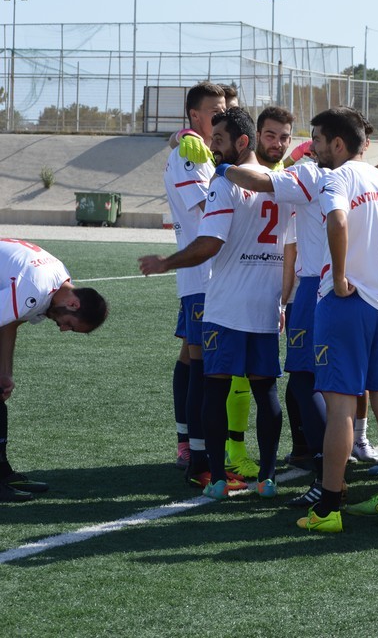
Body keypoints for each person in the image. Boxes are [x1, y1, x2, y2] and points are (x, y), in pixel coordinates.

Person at [140, 107, 292, 499]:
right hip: (266, 305)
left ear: (242, 141)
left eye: (220, 140)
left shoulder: (225, 182)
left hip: (226, 306)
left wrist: (166, 262)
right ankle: (268, 478)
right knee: (266, 393)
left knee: (215, 389)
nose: (213, 149)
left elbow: (210, 243)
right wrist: (283, 301)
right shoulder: (282, 184)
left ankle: (219, 479)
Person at [291, 107, 378, 532]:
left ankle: (328, 509)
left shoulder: (337, 178)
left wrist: (342, 277)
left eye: (317, 141)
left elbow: (338, 220)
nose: (313, 149)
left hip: (345, 305)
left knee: (341, 405)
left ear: (338, 144)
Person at [1, 238, 108, 502]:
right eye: (69, 324)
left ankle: (2, 472)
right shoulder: (36, 289)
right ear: (74, 305)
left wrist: (5, 373)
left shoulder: (58, 279)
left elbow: (10, 322)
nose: (62, 329)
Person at [162, 81, 226, 482]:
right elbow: (211, 209)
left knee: (190, 355)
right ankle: (197, 453)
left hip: (213, 275)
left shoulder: (202, 150)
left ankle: (188, 442)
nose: (221, 116)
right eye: (215, 111)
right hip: (203, 276)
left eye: (226, 110)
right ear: (194, 116)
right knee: (203, 362)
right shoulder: (188, 155)